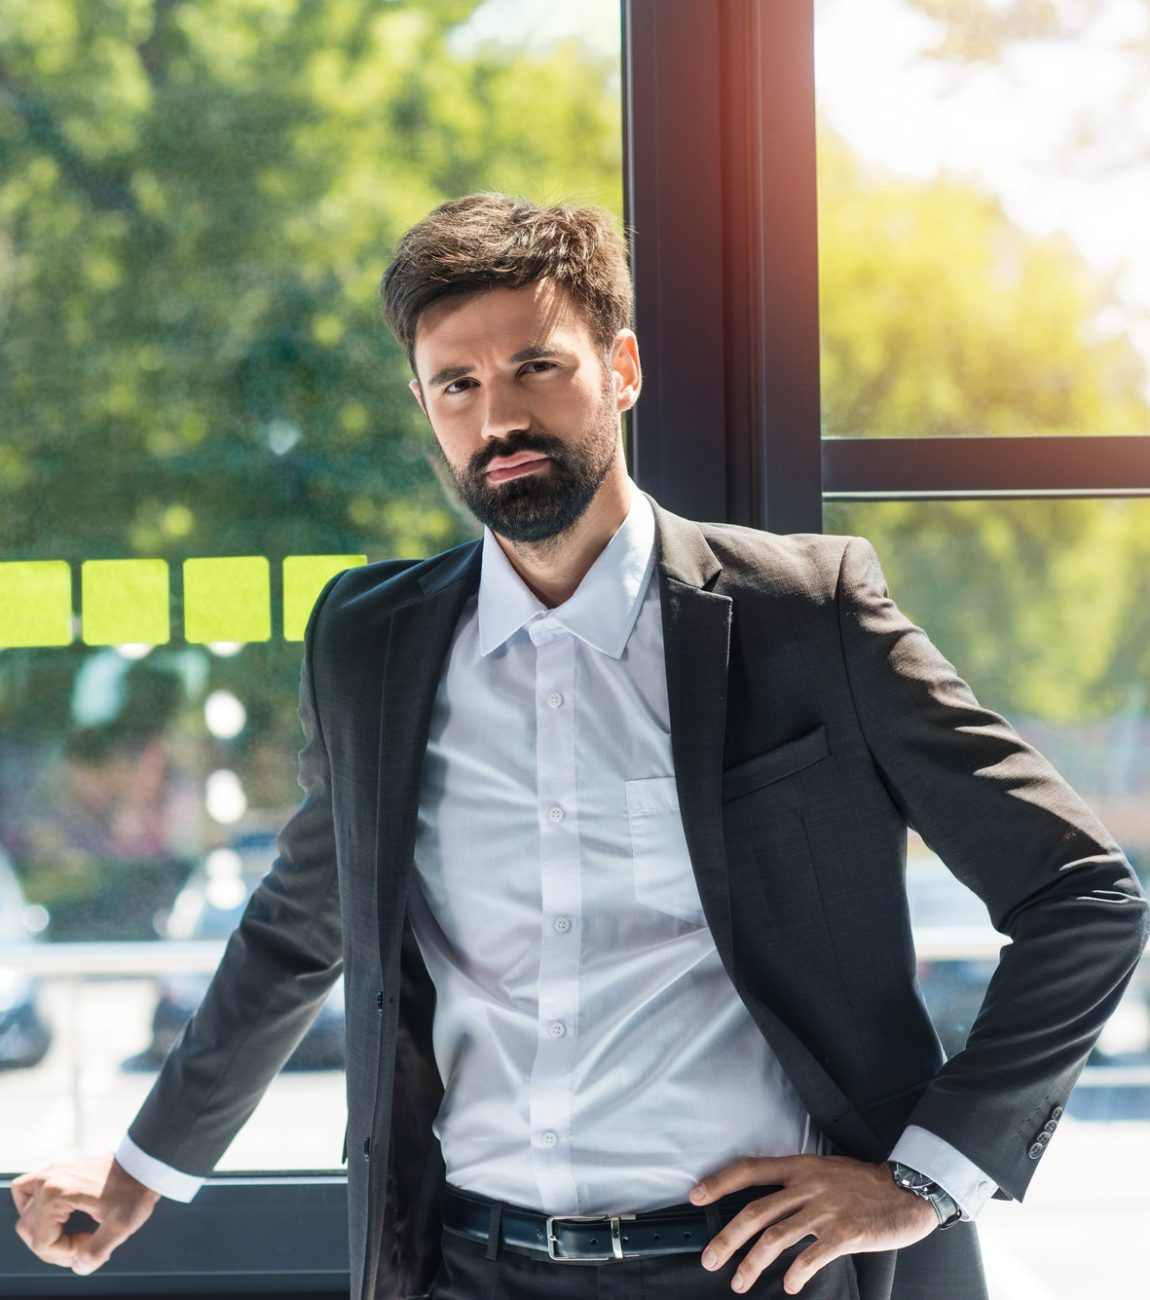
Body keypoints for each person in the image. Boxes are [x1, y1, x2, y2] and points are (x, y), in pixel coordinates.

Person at [12, 193, 1148, 1300]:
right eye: (456, 384)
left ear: (621, 368)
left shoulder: (806, 615)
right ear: (424, 403)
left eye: (534, 368)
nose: (496, 416)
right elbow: (301, 922)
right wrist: (141, 1166)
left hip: (760, 1271)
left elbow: (1083, 895)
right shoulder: (372, 644)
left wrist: (924, 1177)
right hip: (463, 1260)